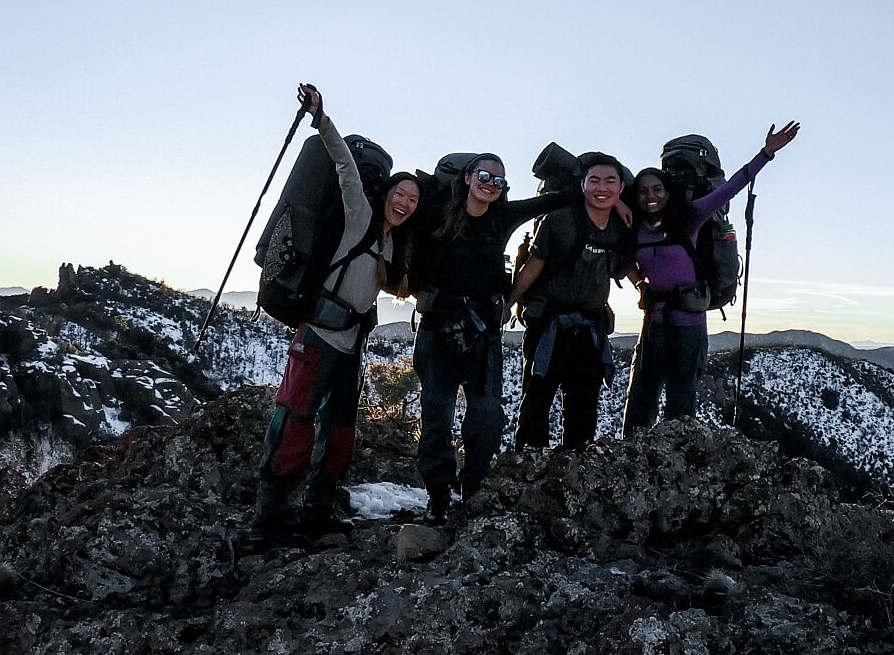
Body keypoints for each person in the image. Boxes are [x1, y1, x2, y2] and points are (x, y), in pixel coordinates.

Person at [254, 84, 420, 544]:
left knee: (341, 427)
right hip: (319, 334)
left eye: (413, 200)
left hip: (351, 343)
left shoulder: (390, 241)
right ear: (387, 191)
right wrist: (322, 118)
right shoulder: (359, 212)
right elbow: (345, 165)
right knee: (294, 419)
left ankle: (319, 507)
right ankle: (270, 516)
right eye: (401, 193)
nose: (404, 202)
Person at [404, 154, 577, 522]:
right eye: (485, 176)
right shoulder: (435, 213)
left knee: (485, 416)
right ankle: (438, 495)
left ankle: (474, 490)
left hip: (483, 333)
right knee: (437, 414)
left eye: (499, 180)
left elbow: (552, 201)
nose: (491, 184)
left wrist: (599, 186)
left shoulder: (502, 216)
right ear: (467, 177)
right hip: (437, 329)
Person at [623, 122, 800, 432]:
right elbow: (624, 261)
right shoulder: (633, 226)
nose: (650, 196)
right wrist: (640, 284)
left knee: (682, 395)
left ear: (667, 192)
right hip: (654, 320)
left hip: (689, 322)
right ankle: (631, 457)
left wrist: (767, 153)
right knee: (641, 393)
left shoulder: (690, 215)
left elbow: (732, 186)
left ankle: (677, 458)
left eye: (657, 189)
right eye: (643, 191)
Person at [510, 154, 632, 453]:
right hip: (549, 324)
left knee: (583, 410)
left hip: (589, 329)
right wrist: (507, 303)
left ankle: (574, 474)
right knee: (536, 404)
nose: (601, 187)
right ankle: (528, 473)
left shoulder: (622, 225)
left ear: (621, 188)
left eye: (610, 181)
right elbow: (534, 265)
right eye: (594, 180)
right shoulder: (559, 220)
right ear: (582, 184)